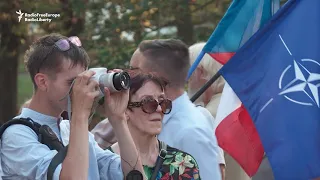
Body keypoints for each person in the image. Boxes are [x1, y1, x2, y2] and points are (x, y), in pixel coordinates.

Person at [0, 33, 144, 179]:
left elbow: (134, 176)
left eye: (84, 79)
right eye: (73, 82)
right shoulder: (17, 136)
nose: (80, 88)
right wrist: (80, 116)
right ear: (43, 82)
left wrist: (118, 119)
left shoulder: (69, 128)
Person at [129, 39, 221, 180]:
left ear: (154, 77)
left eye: (135, 71)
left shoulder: (190, 132)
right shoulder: (166, 121)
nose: (128, 77)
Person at [108, 71, 201, 179]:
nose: (159, 109)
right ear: (124, 110)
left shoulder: (184, 164)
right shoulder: (104, 164)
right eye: (148, 102)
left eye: (163, 102)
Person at [188, 42, 251, 180]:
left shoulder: (206, 117)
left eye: (188, 73)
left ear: (200, 72)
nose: (187, 82)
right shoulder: (239, 108)